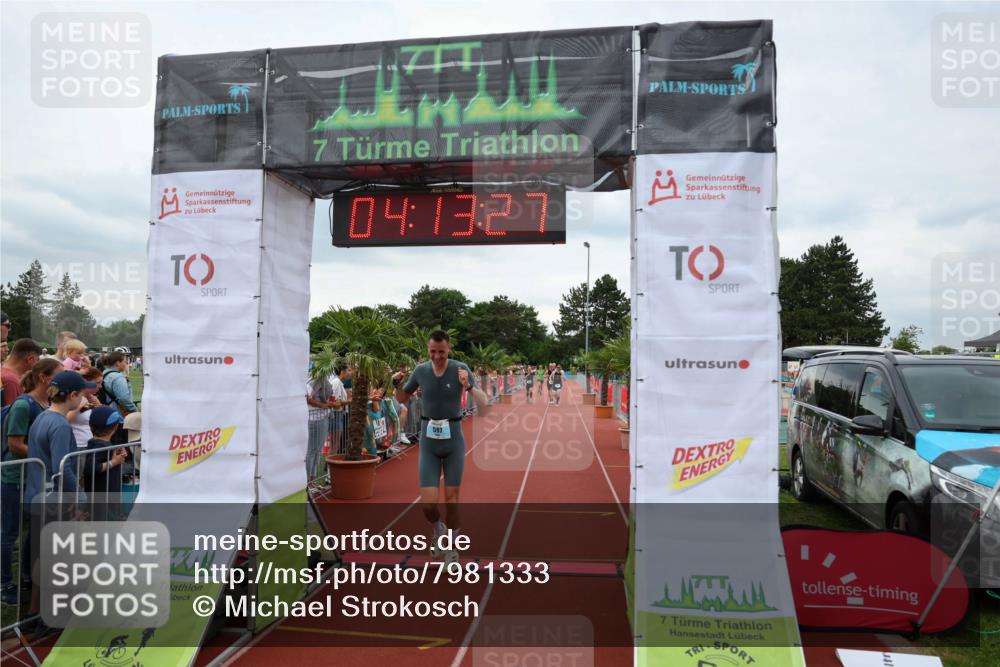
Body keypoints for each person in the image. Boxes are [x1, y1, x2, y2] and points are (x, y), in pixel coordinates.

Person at [393, 331, 488, 563]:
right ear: (428, 350)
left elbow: (484, 404)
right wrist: (395, 383)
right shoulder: (421, 371)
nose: (437, 357)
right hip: (428, 441)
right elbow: (403, 398)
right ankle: (439, 531)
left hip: (453, 439)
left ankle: (452, 548)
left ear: (449, 349)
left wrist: (468, 386)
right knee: (428, 504)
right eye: (433, 352)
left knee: (452, 499)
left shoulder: (460, 369)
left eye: (442, 352)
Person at [0, 358, 60, 605]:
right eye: (59, 374)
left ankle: (26, 575)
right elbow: (14, 444)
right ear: (45, 378)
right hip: (14, 479)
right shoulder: (24, 405)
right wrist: (44, 457)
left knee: (34, 531)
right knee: (9, 532)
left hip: (35, 478)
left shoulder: (47, 403)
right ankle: (5, 584)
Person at [82, 406, 129, 521]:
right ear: (116, 427)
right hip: (103, 499)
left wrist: (117, 454)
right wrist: (114, 462)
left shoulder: (100, 444)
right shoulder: (99, 446)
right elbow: (90, 468)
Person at [68, 367, 104, 449]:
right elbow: (65, 419)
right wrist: (80, 406)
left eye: (101, 383)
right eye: (97, 383)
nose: (100, 386)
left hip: (91, 444)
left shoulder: (93, 399)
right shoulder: (73, 398)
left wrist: (99, 405)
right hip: (77, 445)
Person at [2, 339, 43, 408]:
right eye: (37, 359)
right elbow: (12, 413)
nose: (39, 363)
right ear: (30, 359)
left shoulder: (4, 371)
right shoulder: (11, 381)